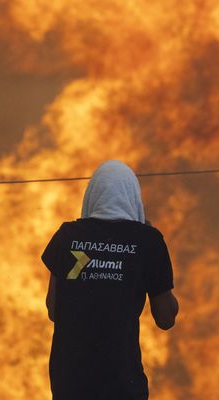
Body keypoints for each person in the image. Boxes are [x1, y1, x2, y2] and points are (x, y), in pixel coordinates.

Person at [42, 160, 179, 400]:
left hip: (69, 386)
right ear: (133, 198)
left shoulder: (67, 236)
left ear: (91, 196)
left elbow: (54, 310)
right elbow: (166, 318)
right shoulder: (147, 241)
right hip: (122, 386)